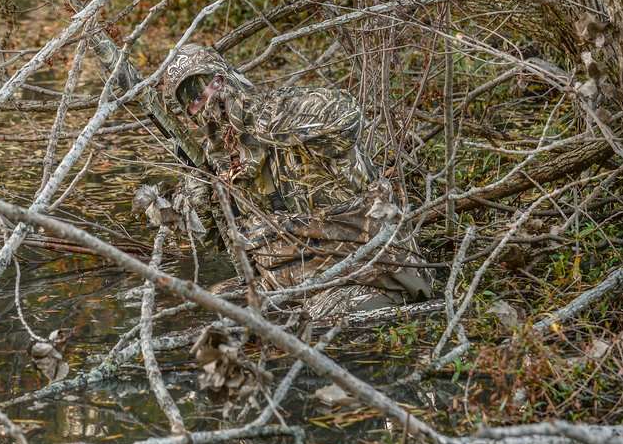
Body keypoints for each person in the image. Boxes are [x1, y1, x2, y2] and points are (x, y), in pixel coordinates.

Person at [158, 44, 433, 316]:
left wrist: (255, 115)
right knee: (214, 303)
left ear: (223, 77)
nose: (200, 103)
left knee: (320, 319)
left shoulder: (285, 117)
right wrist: (196, 175)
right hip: (289, 285)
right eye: (189, 101)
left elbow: (346, 115)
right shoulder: (221, 156)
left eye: (201, 88)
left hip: (368, 278)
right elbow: (210, 235)